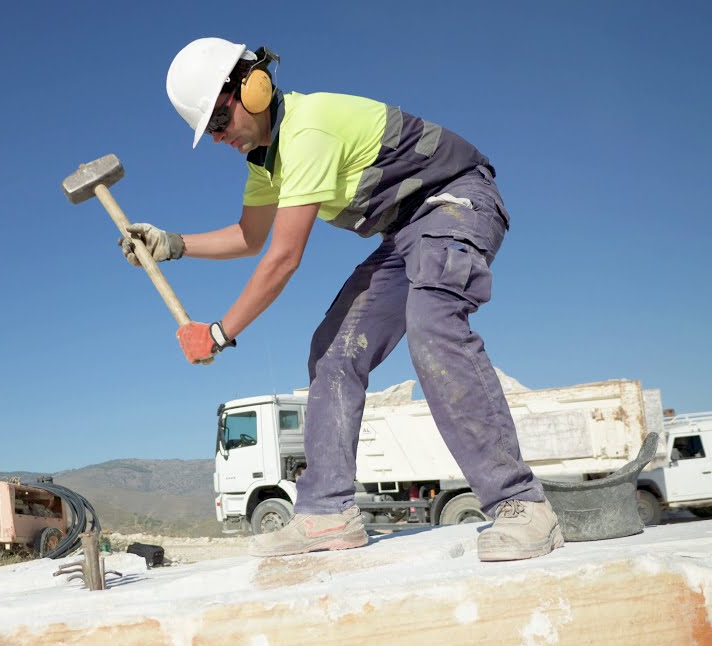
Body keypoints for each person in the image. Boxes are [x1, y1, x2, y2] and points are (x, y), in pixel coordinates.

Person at [120, 38, 563, 562]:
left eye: (219, 121)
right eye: (210, 132)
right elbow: (250, 237)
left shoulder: (308, 129)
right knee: (333, 350)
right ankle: (328, 513)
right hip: (402, 236)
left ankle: (520, 505)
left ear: (252, 87)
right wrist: (173, 244)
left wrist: (219, 333)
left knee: (433, 324)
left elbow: (283, 258)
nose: (219, 139)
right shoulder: (267, 164)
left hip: (457, 202)